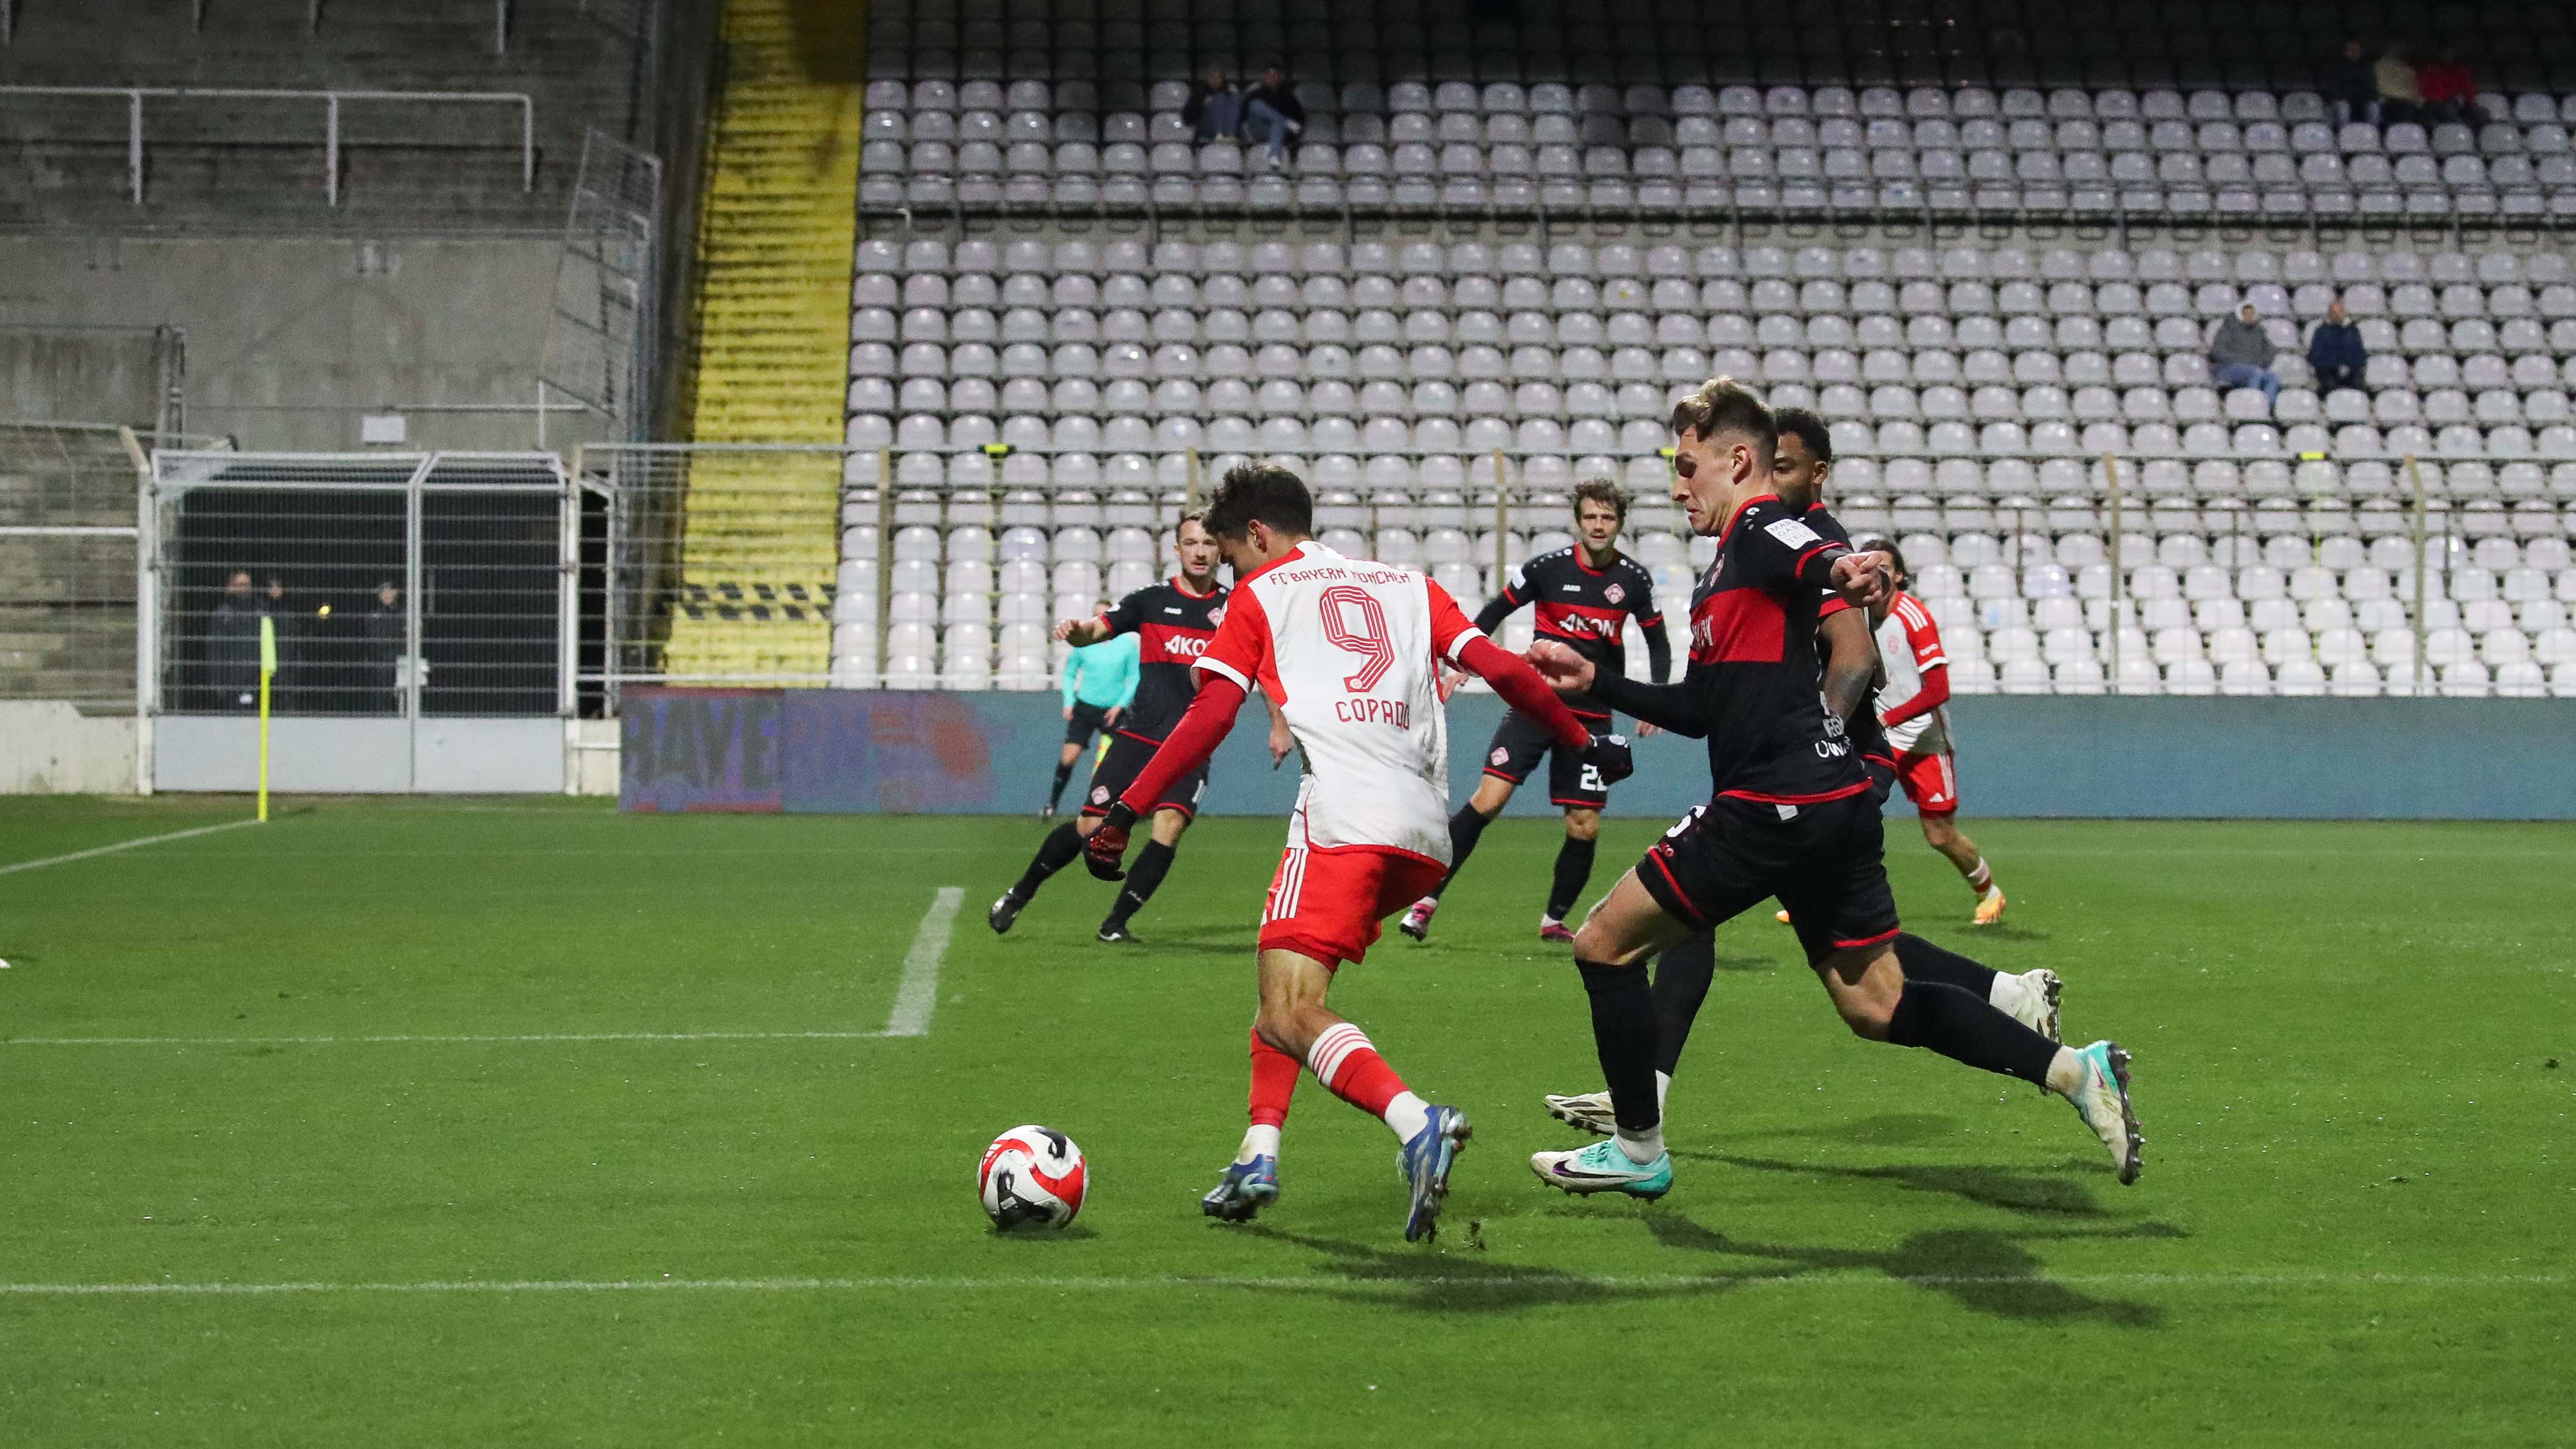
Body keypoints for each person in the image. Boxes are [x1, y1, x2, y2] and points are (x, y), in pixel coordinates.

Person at [1520, 379, 2143, 1200]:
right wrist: (1596, 675)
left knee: (1603, 942)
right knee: (1875, 1004)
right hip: (1822, 805)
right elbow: (1700, 709)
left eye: (1688, 465)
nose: (1676, 486)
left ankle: (1637, 1144)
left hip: (1776, 804)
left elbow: (1805, 548)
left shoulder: (1762, 527)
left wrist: (1841, 564)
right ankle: (2073, 1071)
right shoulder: (1721, 573)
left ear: (1737, 460)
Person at [1080, 463, 1634, 1240]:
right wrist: (1584, 739)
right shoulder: (1409, 585)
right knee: (1284, 975)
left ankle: (1415, 1121)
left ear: (1259, 537)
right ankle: (1257, 1152)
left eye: (1235, 552)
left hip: (1340, 817)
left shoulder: (1260, 595)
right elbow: (1505, 669)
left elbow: (1208, 719)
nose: (1235, 567)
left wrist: (1124, 809)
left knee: (1289, 1002)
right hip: (1421, 832)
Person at [1397, 479, 1670, 945]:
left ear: (1620, 523)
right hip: (1535, 704)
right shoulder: (1546, 569)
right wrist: (1465, 660)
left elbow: (1658, 642)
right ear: (1578, 521)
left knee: (1583, 824)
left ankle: (1554, 920)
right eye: (1591, 517)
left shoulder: (1634, 581)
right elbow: (1494, 610)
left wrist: (1658, 698)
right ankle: (1426, 901)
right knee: (1489, 800)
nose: (1599, 526)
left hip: (1593, 715)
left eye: (1607, 518)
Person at [990, 514, 1284, 945]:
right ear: (1177, 550)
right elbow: (1097, 629)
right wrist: (1075, 633)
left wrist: (1278, 724)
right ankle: (1020, 892)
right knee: (1091, 827)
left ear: (1220, 550)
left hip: (1191, 747)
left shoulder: (1236, 607)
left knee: (1170, 828)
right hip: (1138, 737)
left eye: (1207, 543)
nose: (1199, 552)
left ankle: (1116, 923)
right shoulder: (1150, 600)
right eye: (1190, 543)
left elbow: (1262, 668)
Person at [1855, 537, 2008, 924]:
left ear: (1900, 575)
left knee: (1939, 834)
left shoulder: (1913, 617)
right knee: (1846, 811)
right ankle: (1820, 899)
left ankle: (1989, 893)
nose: (1875, 575)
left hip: (1924, 739)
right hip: (1882, 739)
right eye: (1868, 568)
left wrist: (1889, 718)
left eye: (1884, 568)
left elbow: (1938, 690)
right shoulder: (1858, 616)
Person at [1045, 599, 1138, 819]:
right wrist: (1069, 701)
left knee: (1109, 765)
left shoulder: (1126, 644)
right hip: (1086, 707)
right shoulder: (1085, 642)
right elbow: (1069, 674)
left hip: (1113, 711)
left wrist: (1120, 705)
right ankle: (1052, 804)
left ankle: (1107, 809)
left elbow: (1134, 677)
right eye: (1097, 615)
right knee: (1068, 758)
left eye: (1105, 615)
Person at [2209, 302, 2281, 415]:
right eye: (2246, 314)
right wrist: (2244, 361)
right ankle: (2252, 406)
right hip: (2228, 369)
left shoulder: (2259, 331)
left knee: (2272, 377)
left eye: (2251, 314)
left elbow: (2270, 351)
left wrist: (2261, 362)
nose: (2249, 316)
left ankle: (2267, 407)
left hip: (2255, 367)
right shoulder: (2228, 329)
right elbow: (2218, 352)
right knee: (2255, 373)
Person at [208, 568, 263, 710]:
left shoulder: (260, 613)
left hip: (256, 680)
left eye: (246, 585)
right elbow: (215, 650)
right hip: (230, 681)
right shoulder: (222, 615)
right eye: (239, 585)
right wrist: (217, 683)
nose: (243, 589)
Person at [1240, 66, 1305, 168]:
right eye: (1269, 75)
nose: (1272, 77)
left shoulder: (1288, 96)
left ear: (1279, 78)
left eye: (1275, 75)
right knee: (1255, 105)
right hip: (1258, 129)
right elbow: (1244, 113)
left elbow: (1300, 116)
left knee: (1277, 124)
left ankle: (1274, 157)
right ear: (1264, 77)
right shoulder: (1255, 93)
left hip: (1279, 133)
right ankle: (1286, 122)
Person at [2307, 298, 2368, 396]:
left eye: (2340, 311)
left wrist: (2348, 367)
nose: (2337, 315)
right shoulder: (2321, 331)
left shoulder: (2353, 331)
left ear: (2344, 313)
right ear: (2330, 314)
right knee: (2329, 385)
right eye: (2334, 312)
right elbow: (2315, 356)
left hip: (2351, 372)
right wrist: (2335, 365)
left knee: (2359, 385)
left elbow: (2359, 355)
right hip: (2328, 372)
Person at [365, 582, 407, 715]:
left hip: (401, 658)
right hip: (382, 659)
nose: (386, 595)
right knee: (383, 693)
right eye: (383, 593)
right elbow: (374, 638)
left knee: (403, 693)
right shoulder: (374, 615)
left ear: (395, 593)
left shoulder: (404, 613)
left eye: (389, 592)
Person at [2416, 47, 2485, 126]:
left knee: (2450, 112)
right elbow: (2422, 87)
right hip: (2431, 102)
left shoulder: (2460, 72)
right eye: (2445, 54)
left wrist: (2471, 101)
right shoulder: (2431, 70)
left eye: (2450, 54)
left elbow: (2468, 90)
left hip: (2450, 102)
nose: (2447, 57)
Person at [2326, 39, 2380, 127]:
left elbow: (2370, 87)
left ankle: (2373, 133)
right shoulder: (2336, 67)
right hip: (2343, 98)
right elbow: (2335, 88)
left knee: (2374, 107)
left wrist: (2360, 95)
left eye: (2356, 51)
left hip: (2362, 98)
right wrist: (2350, 94)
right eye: (2351, 51)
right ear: (2345, 52)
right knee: (2343, 108)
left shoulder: (2367, 67)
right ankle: (2343, 133)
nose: (2354, 53)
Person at [1182, 67, 1241, 143]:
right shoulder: (1199, 94)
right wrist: (1202, 105)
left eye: (1218, 78)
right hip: (1206, 128)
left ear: (1222, 79)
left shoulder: (1230, 95)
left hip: (1228, 127)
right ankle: (1219, 134)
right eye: (1213, 77)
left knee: (1230, 98)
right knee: (1219, 98)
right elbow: (1187, 118)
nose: (1215, 80)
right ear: (1207, 79)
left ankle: (1231, 135)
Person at [2374, 43, 2421, 128]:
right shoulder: (2380, 66)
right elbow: (2381, 87)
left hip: (2406, 103)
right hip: (2386, 101)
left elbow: (2414, 90)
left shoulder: (2409, 70)